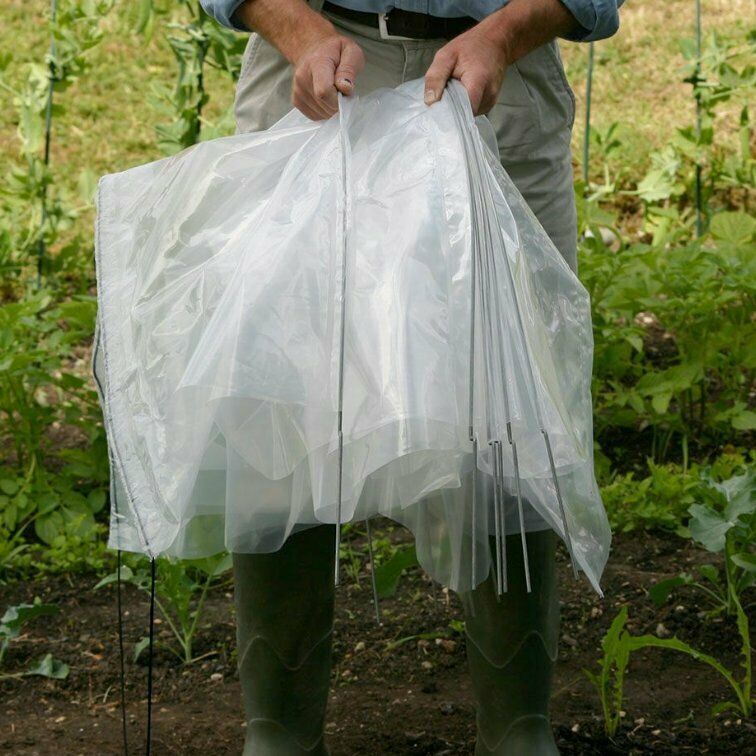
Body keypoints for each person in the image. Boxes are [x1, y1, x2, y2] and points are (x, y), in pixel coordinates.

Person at [198, 2, 622, 754]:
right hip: (314, 67)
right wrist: (298, 31)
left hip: (500, 72)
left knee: (508, 402)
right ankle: (278, 733)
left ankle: (518, 729)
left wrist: (505, 32)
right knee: (282, 395)